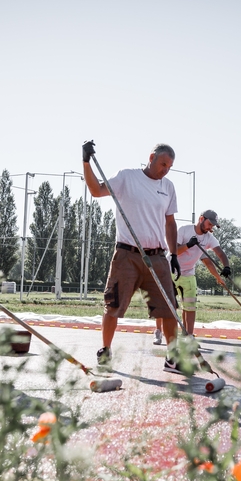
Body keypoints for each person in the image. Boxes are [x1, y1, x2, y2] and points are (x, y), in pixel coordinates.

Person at [81, 141, 183, 373]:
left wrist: (174, 253)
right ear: (151, 157)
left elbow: (170, 222)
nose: (165, 169)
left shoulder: (168, 187)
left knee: (169, 308)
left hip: (157, 258)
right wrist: (86, 162)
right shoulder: (127, 178)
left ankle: (172, 357)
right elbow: (96, 190)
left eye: (170, 166)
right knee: (113, 305)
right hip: (127, 254)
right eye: (163, 163)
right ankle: (105, 350)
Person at [153, 210, 231, 344]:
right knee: (165, 304)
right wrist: (189, 244)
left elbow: (219, 254)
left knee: (190, 306)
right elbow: (174, 250)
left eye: (213, 226)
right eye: (209, 223)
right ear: (201, 219)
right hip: (170, 270)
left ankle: (188, 336)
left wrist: (226, 267)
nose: (210, 227)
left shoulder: (208, 238)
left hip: (188, 273)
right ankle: (158, 332)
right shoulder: (184, 230)